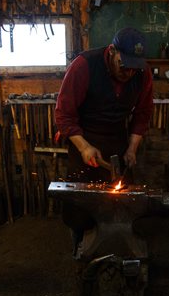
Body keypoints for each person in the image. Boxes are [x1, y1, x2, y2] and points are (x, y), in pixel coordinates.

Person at [54, 27, 154, 251]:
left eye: (133, 68)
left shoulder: (142, 73)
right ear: (111, 51)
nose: (128, 73)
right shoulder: (84, 66)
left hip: (117, 140)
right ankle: (80, 246)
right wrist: (84, 147)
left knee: (117, 201)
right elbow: (64, 114)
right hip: (83, 138)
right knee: (81, 205)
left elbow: (143, 113)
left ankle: (114, 245)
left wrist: (132, 149)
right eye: (123, 65)